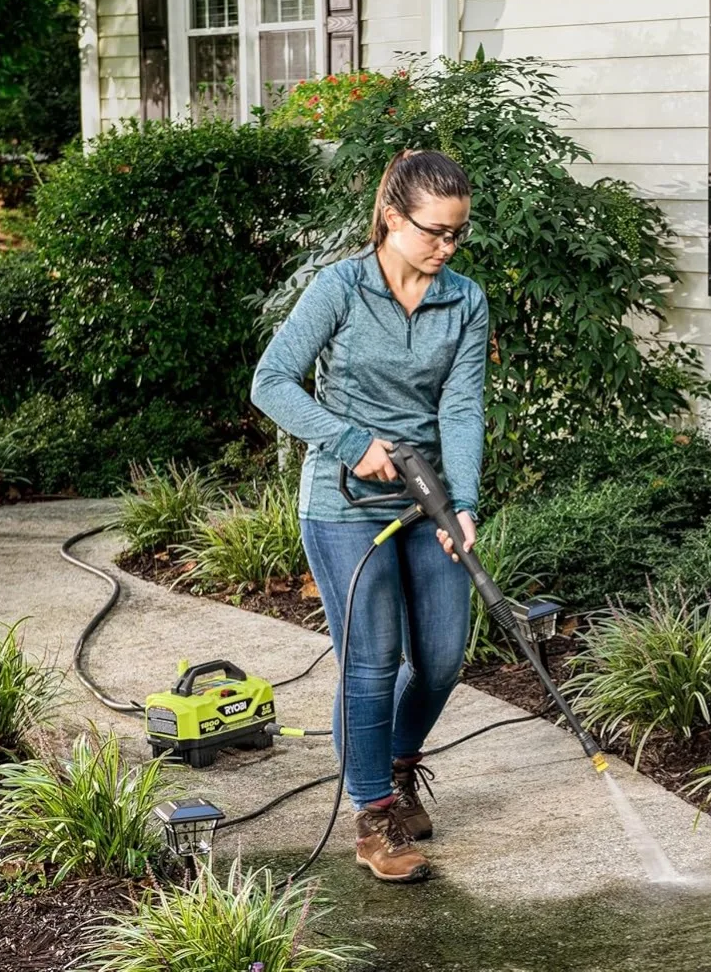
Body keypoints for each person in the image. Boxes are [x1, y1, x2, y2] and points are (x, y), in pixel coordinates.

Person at [250, 148, 487, 884]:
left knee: (445, 654)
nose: (445, 248)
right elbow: (271, 382)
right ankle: (372, 815)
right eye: (433, 232)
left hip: (426, 499)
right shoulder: (340, 289)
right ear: (391, 217)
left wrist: (462, 504)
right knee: (372, 659)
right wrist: (351, 442)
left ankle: (395, 760)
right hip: (344, 502)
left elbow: (460, 404)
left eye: (457, 235)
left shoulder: (464, 300)